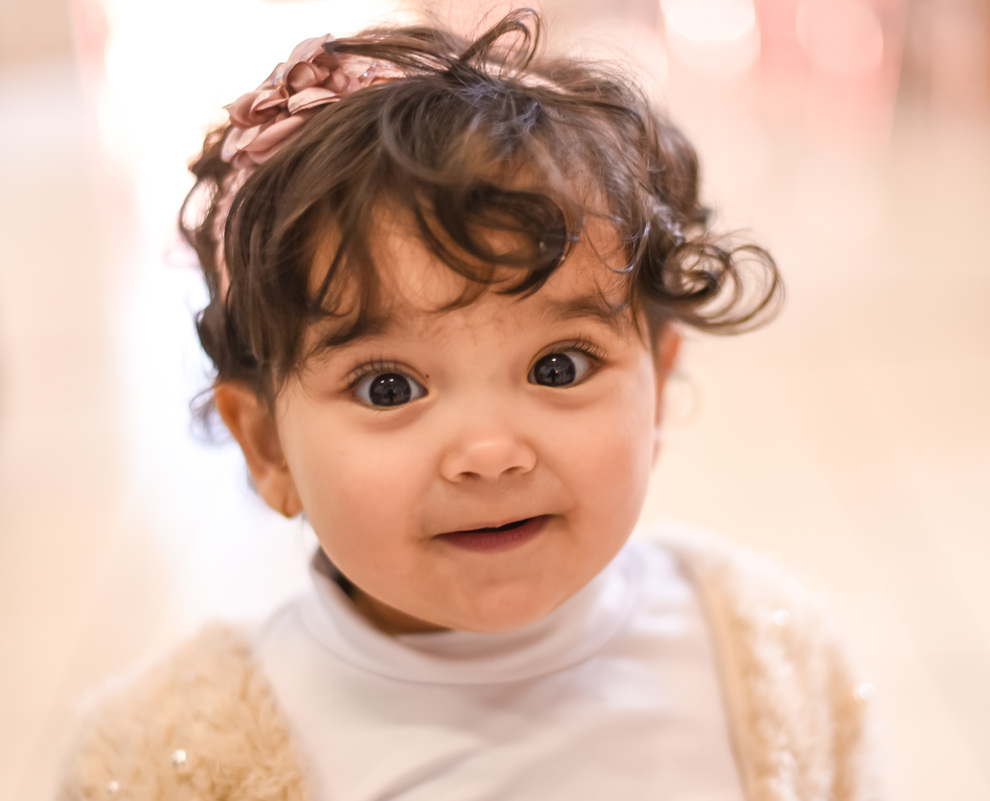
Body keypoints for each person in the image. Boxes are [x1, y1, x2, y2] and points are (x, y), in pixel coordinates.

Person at [58, 9, 879, 800]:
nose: (491, 451)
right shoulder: (176, 760)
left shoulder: (765, 661)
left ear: (658, 387)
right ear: (268, 446)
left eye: (558, 367)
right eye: (389, 387)